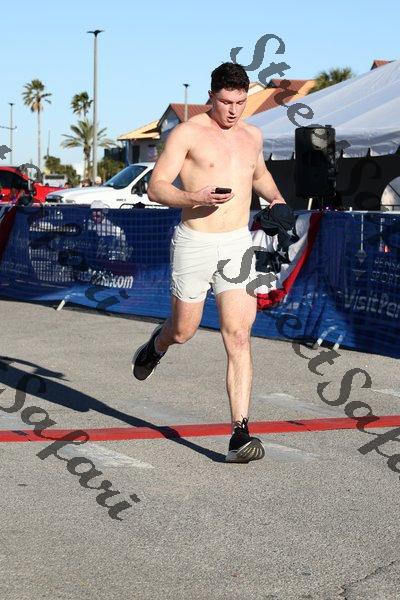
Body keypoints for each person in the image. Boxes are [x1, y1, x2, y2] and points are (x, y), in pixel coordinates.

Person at [132, 62, 288, 463]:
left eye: (240, 102)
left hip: (237, 243)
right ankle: (157, 344)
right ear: (211, 97)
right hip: (195, 242)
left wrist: (276, 200)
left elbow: (259, 175)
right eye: (225, 102)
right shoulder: (187, 133)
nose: (233, 110)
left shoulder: (252, 135)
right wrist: (194, 198)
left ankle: (239, 434)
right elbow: (155, 188)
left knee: (239, 336)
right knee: (184, 330)